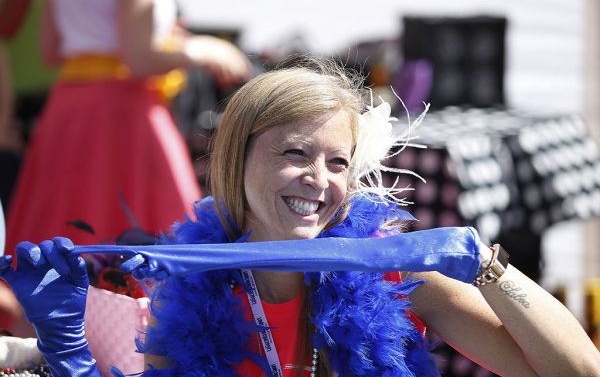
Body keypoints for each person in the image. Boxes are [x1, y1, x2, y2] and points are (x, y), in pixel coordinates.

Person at [2, 58, 600, 377]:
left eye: (338, 162)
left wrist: (487, 264)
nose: (320, 179)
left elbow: (575, 372)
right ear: (238, 157)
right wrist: (65, 346)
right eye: (294, 153)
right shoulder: (182, 290)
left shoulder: (394, 275)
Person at [5, 0, 250, 258]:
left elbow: (50, 50)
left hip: (69, 112)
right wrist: (205, 49)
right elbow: (139, 58)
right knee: (161, 241)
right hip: (125, 115)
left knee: (52, 234)